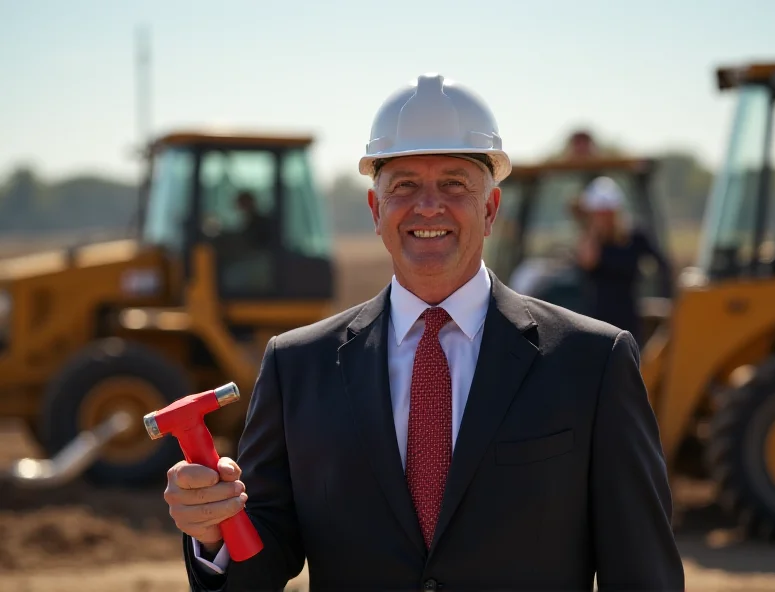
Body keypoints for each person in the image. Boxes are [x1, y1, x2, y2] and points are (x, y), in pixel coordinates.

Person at [163, 73, 685, 591]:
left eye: (454, 183)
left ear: (490, 208)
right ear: (376, 210)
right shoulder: (298, 365)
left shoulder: (591, 362)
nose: (428, 205)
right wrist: (214, 532)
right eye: (405, 185)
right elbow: (260, 560)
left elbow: (642, 573)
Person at [574, 176, 673, 346]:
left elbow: (662, 264)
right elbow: (588, 261)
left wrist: (667, 297)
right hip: (597, 321)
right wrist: (592, 230)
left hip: (627, 319)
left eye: (607, 213)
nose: (603, 218)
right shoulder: (592, 242)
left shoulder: (635, 238)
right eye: (598, 213)